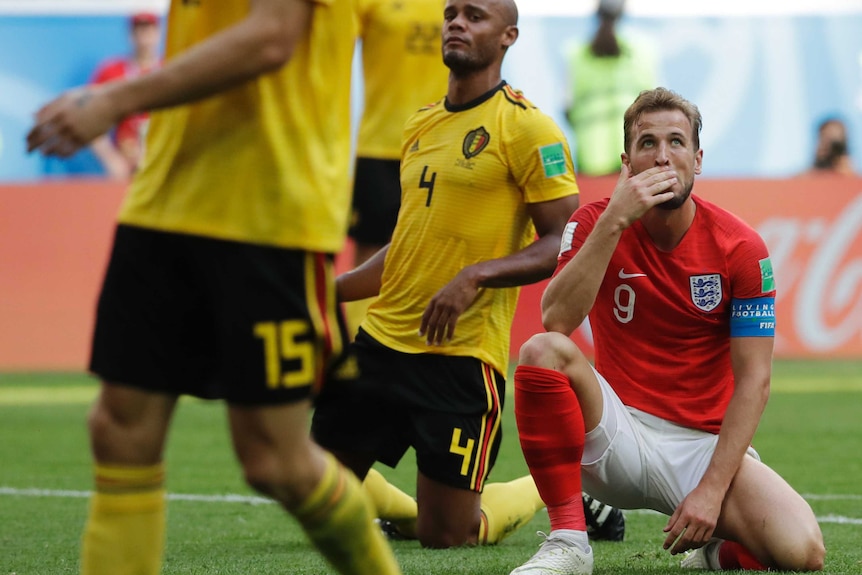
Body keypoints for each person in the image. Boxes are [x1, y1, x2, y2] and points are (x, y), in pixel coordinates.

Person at [26, 2, 402, 575]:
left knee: (275, 461)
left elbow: (273, 36)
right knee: (119, 430)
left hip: (269, 209)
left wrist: (112, 99)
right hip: (163, 201)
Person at [508, 87, 826, 575]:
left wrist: (712, 490)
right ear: (626, 161)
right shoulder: (594, 222)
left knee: (802, 553)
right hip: (617, 434)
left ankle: (716, 552)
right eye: (647, 143)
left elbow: (755, 381)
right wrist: (614, 219)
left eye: (676, 142)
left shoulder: (740, 247)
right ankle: (569, 542)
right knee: (541, 350)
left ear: (697, 160)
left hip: (702, 447)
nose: (662, 156)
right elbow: (557, 320)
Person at [311, 0, 582, 550]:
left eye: (474, 15)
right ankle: (411, 513)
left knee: (450, 537)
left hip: (459, 360)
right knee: (310, 489)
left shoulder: (530, 130)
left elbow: (564, 241)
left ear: (508, 36)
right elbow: (404, 248)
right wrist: (325, 291)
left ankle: (563, 488)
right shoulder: (421, 123)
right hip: (382, 344)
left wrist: (476, 276)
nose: (456, 22)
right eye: (451, 13)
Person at [343, 0, 451, 337]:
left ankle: (424, 339)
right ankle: (354, 343)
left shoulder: (456, 5)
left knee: (439, 248)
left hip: (442, 143)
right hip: (379, 143)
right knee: (369, 247)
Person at [563, 0, 656, 176]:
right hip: (633, 154)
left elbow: (567, 108)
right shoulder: (642, 50)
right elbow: (654, 104)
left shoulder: (576, 53)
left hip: (591, 153)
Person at [89, 12, 162, 180]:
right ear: (130, 34)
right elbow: (90, 118)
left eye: (149, 29)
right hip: (126, 165)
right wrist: (111, 159)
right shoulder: (111, 72)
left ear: (158, 33)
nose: (144, 36)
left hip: (160, 162)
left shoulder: (169, 70)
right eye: (139, 30)